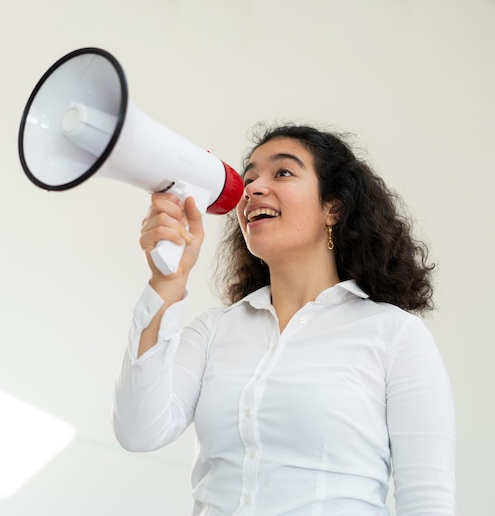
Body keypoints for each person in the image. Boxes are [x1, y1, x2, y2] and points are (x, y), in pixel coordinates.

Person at [113, 124, 456, 515]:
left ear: (333, 208)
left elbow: (428, 502)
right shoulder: (214, 331)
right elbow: (138, 430)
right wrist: (167, 280)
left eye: (283, 173)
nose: (253, 189)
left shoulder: (394, 334)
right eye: (250, 178)